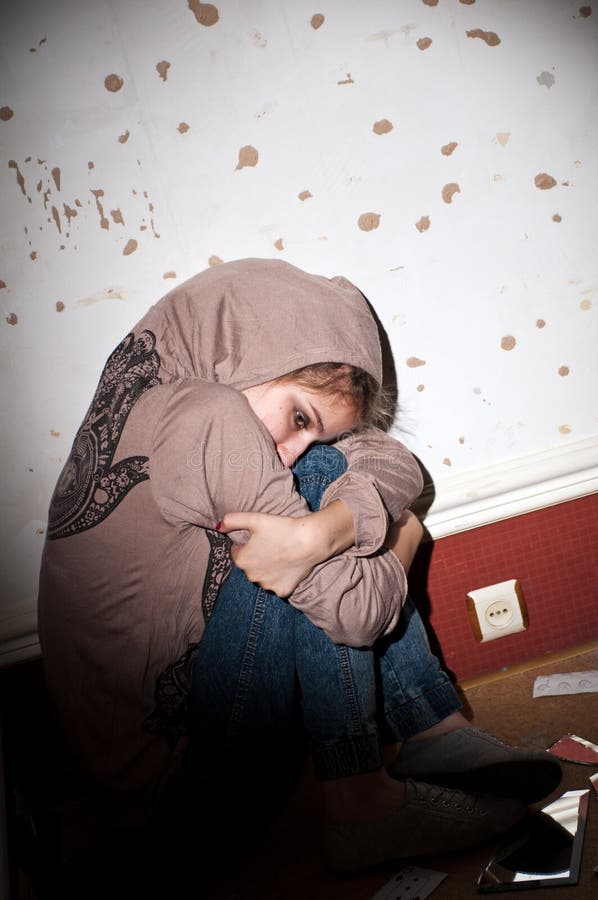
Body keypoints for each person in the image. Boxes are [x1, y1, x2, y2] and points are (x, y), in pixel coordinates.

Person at [37, 259, 561, 873]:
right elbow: (360, 615)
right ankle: (362, 798)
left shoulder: (167, 387)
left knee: (322, 479)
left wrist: (330, 527)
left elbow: (394, 460)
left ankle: (431, 733)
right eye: (300, 419)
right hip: (186, 805)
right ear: (250, 353)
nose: (288, 451)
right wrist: (406, 537)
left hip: (166, 785)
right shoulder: (207, 419)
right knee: (317, 482)